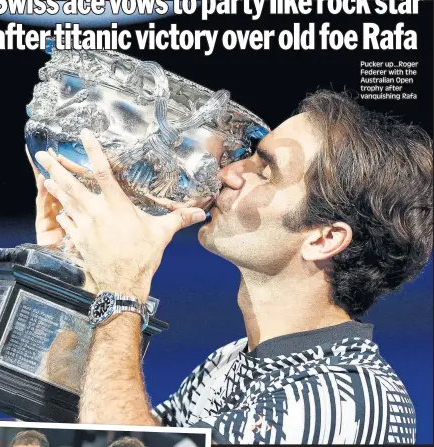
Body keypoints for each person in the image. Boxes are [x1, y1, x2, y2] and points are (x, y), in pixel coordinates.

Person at [32, 91, 433, 445]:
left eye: (265, 171)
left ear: (324, 238)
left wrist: (123, 288)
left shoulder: (346, 401)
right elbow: (83, 431)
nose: (227, 173)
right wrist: (75, 268)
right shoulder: (231, 361)